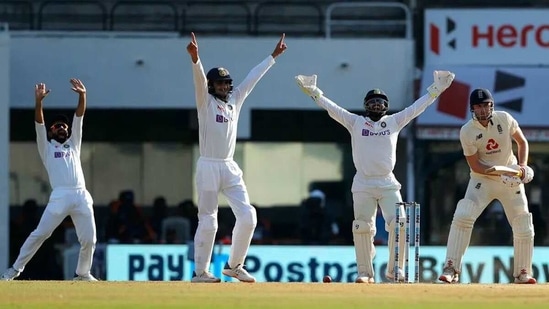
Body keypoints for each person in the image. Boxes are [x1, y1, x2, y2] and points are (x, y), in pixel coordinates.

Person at [295, 71, 455, 283]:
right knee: (362, 227)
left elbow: (418, 107)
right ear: (366, 105)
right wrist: (314, 92)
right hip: (363, 182)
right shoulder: (356, 122)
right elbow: (332, 109)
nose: (377, 106)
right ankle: (364, 272)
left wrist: (437, 89)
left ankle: (395, 270)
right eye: (372, 102)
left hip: (388, 182)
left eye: (380, 102)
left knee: (400, 223)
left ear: (386, 106)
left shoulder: (394, 121)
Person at [186, 32, 287, 283]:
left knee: (248, 215)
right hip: (208, 164)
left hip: (229, 166)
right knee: (209, 221)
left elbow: (253, 78)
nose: (224, 87)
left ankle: (234, 265)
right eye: (219, 84)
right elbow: (198, 80)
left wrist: (272, 57)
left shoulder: (235, 100)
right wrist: (195, 60)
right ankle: (200, 272)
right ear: (211, 86)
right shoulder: (205, 102)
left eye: (226, 83)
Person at [1, 79, 98, 281]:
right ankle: (14, 270)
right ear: (52, 131)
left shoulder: (74, 145)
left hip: (81, 194)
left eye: (64, 125)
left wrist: (83, 96)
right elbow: (39, 123)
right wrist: (38, 103)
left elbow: (79, 117)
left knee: (89, 239)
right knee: (40, 234)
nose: (62, 127)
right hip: (60, 196)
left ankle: (82, 273)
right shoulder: (47, 147)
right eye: (57, 126)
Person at [438, 88, 536, 284]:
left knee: (523, 223)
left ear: (492, 105)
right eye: (478, 106)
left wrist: (522, 167)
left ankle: (523, 272)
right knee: (464, 215)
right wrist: (500, 171)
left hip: (511, 179)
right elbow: (475, 165)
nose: (483, 110)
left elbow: (522, 142)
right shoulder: (467, 131)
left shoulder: (505, 118)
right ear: (472, 108)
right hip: (483, 178)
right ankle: (451, 268)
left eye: (486, 105)